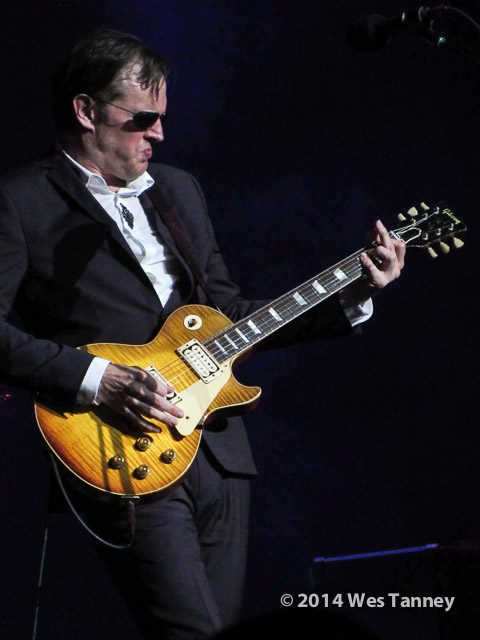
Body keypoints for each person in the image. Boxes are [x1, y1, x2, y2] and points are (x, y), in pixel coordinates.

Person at [0, 30, 405, 639]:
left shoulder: (178, 190)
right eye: (143, 118)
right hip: (123, 448)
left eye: (163, 118)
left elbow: (228, 314)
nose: (159, 134)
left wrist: (353, 294)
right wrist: (97, 379)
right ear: (85, 111)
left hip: (219, 452)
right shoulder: (21, 200)